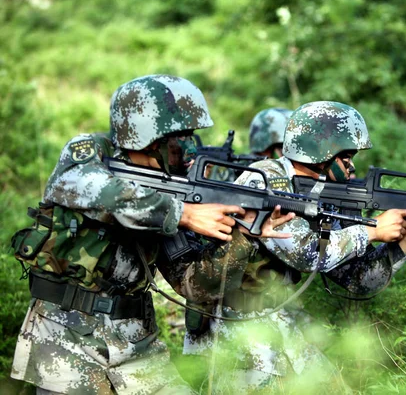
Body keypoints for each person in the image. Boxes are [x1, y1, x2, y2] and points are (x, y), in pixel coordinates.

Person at [9, 74, 293, 394]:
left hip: (136, 342)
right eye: (181, 136)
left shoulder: (174, 185)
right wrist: (183, 215)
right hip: (65, 337)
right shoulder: (91, 153)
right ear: (151, 137)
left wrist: (246, 235)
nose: (190, 148)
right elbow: (83, 187)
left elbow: (194, 286)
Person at [182, 101, 406, 392]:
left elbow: (361, 280)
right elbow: (305, 253)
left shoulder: (325, 193)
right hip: (231, 323)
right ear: (322, 153)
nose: (352, 166)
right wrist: (372, 230)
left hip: (274, 316)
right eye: (346, 157)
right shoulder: (266, 178)